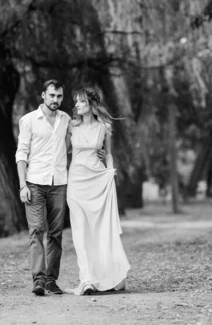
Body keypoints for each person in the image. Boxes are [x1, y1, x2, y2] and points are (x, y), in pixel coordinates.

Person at [66, 87, 130, 295]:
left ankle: (109, 274)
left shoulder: (105, 126)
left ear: (91, 104)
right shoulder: (71, 126)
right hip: (76, 181)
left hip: (98, 180)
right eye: (76, 102)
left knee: (100, 230)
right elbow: (63, 151)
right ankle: (87, 280)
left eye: (81, 101)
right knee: (80, 231)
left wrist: (111, 172)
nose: (77, 105)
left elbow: (108, 153)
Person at [15, 79, 70, 296]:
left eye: (59, 96)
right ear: (43, 96)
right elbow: (21, 154)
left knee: (56, 234)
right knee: (37, 231)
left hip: (59, 184)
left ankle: (51, 280)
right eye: (52, 96)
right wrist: (22, 186)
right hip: (34, 183)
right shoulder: (28, 120)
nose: (56, 100)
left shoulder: (66, 119)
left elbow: (75, 141)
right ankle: (38, 280)